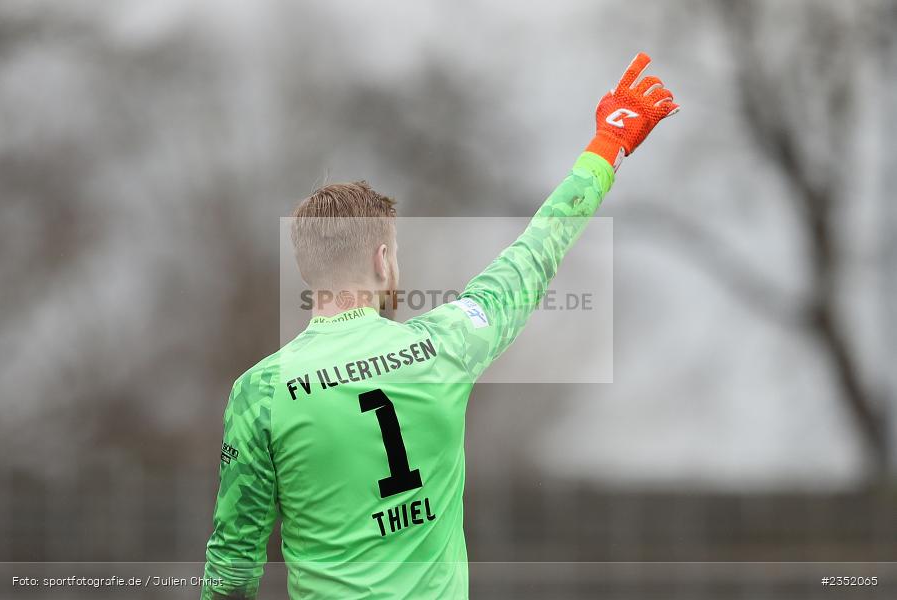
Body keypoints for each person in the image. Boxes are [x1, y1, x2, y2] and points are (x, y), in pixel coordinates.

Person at [202, 52, 678, 599]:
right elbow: (534, 254)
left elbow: (233, 568)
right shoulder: (443, 346)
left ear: (308, 268)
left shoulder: (259, 393)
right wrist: (606, 148)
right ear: (382, 261)